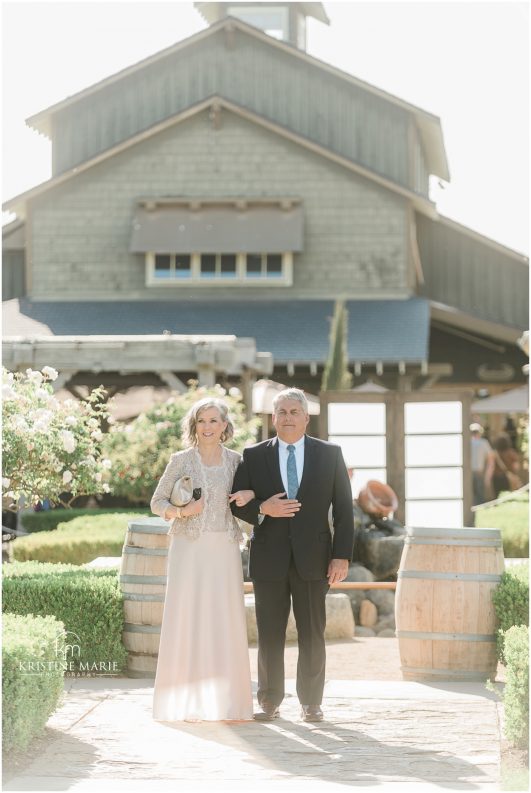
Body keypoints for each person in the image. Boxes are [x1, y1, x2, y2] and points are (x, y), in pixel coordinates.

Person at [230, 387, 354, 723]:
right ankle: (269, 700)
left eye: (293, 412)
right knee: (270, 633)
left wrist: (341, 556)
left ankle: (311, 702)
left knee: (313, 632)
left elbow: (344, 509)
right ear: (273, 418)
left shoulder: (330, 454)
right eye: (281, 412)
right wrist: (263, 509)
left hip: (315, 559)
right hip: (268, 558)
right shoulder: (253, 455)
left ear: (306, 417)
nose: (287, 418)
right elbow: (236, 503)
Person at [150, 397, 255, 722]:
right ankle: (183, 702)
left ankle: (227, 703)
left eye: (213, 420)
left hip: (224, 547)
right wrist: (181, 512)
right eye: (201, 421)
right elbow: (157, 502)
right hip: (188, 549)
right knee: (187, 616)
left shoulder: (238, 462)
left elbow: (251, 500)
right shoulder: (181, 460)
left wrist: (249, 496)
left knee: (224, 618)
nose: (207, 427)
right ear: (194, 426)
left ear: (225, 425)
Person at [470, 423, 495, 506]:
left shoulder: (466, 442)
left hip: (467, 472)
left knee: (470, 495)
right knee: (480, 496)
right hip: (479, 472)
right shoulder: (483, 443)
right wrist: (488, 476)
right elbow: (491, 460)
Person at [491, 431, 522, 498]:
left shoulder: (495, 454)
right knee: (509, 497)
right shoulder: (512, 453)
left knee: (496, 497)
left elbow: (492, 467)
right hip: (508, 478)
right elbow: (516, 467)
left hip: (496, 478)